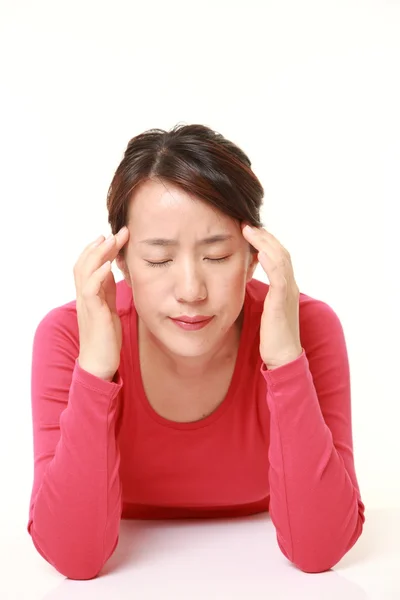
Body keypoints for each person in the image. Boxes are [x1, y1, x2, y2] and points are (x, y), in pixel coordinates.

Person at [27, 123, 365, 580]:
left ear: (253, 256)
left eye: (218, 255)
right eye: (159, 260)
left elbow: (319, 549)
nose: (190, 291)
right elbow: (75, 558)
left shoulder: (307, 328)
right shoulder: (69, 336)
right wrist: (95, 372)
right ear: (120, 261)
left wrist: (286, 360)